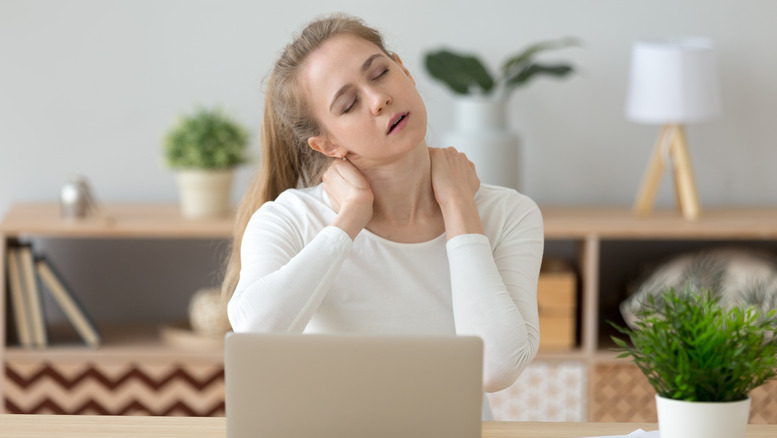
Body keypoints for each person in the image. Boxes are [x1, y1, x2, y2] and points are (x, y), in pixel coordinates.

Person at [221, 13, 544, 417]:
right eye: (350, 104)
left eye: (380, 74)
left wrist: (459, 206)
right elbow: (255, 338)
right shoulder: (290, 220)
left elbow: (496, 367)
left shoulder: (508, 214)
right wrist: (350, 219)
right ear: (327, 145)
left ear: (404, 71)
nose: (379, 100)